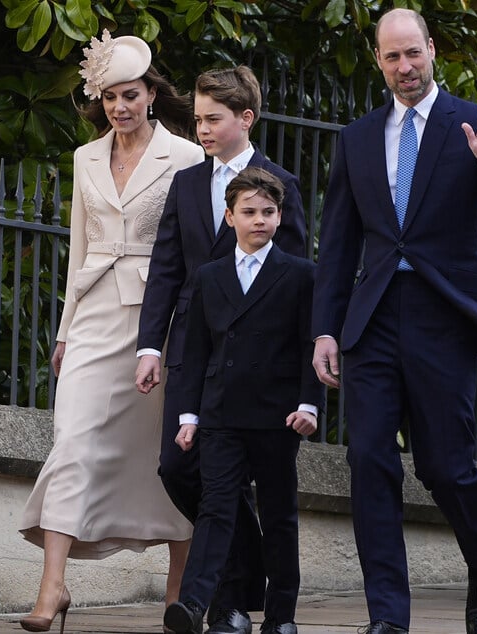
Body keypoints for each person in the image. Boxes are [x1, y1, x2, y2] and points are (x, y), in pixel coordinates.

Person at [311, 8, 477, 634]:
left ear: (432, 50)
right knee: (368, 458)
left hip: (445, 317)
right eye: (392, 57)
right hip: (374, 319)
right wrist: (325, 329)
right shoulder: (356, 138)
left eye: (413, 54)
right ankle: (389, 614)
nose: (405, 68)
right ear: (378, 61)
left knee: (445, 465)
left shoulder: (471, 120)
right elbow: (337, 245)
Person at [17, 30, 202, 634]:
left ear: (152, 94)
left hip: (164, 318)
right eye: (109, 97)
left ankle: (180, 590)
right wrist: (66, 330)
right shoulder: (84, 158)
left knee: (170, 450)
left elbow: (196, 248)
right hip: (96, 314)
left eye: (130, 95)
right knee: (70, 439)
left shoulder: (188, 157)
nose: (119, 107)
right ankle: (53, 587)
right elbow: (79, 249)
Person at [136, 65, 307, 634]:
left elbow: (296, 285)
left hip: (258, 376)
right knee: (177, 469)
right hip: (193, 352)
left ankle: (231, 604)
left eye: (212, 119)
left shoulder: (280, 186)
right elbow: (166, 269)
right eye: (198, 119)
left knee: (222, 489)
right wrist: (149, 346)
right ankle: (244, 568)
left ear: (245, 119)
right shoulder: (186, 182)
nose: (201, 130)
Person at [163, 167, 319, 634]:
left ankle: (281, 615)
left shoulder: (301, 274)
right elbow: (194, 351)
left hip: (278, 415)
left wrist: (309, 405)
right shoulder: (209, 277)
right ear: (229, 217)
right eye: (248, 212)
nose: (259, 220)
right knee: (217, 507)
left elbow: (313, 344)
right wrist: (189, 415)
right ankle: (198, 605)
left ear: (280, 216)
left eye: (268, 212)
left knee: (277, 514)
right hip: (221, 413)